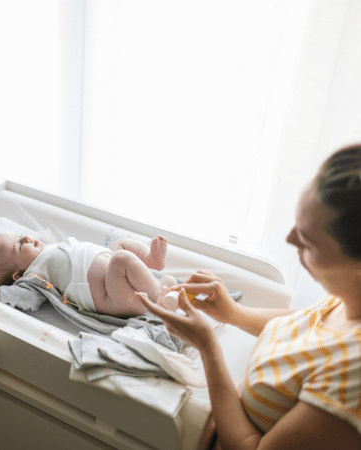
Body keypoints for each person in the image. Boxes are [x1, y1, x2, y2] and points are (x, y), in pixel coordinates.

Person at [138, 145, 361, 449]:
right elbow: (311, 327)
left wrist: (208, 348)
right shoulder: (348, 300)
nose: (289, 239)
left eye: (307, 243)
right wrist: (234, 314)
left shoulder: (351, 388)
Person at [0, 233, 177, 317]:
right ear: (18, 274)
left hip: (119, 279)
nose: (26, 237)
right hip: (111, 296)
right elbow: (27, 298)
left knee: (120, 245)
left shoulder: (49, 248)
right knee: (121, 259)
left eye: (19, 235)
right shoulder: (33, 275)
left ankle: (151, 264)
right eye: (19, 245)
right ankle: (158, 299)